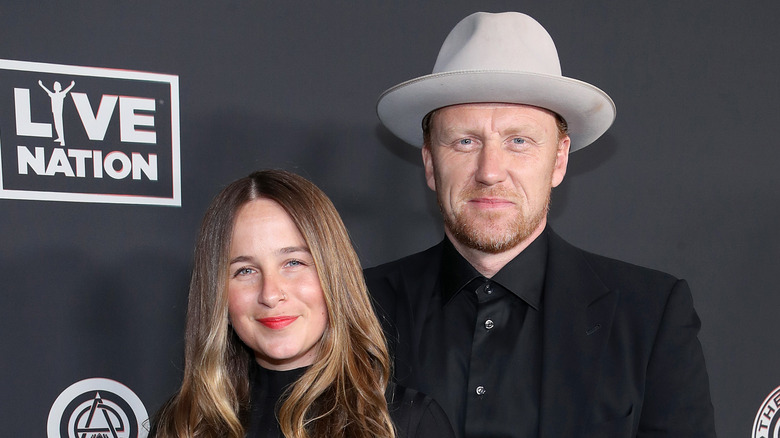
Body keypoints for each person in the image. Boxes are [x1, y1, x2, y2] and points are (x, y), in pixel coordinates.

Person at [365, 11, 716, 438]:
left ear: (560, 159)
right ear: (430, 164)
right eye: (465, 141)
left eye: (519, 141)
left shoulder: (649, 317)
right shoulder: (357, 309)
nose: (490, 171)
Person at [150, 170, 454, 438]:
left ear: (333, 276)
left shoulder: (407, 422)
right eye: (245, 271)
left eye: (293, 262)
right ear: (218, 295)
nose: (270, 294)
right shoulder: (183, 425)